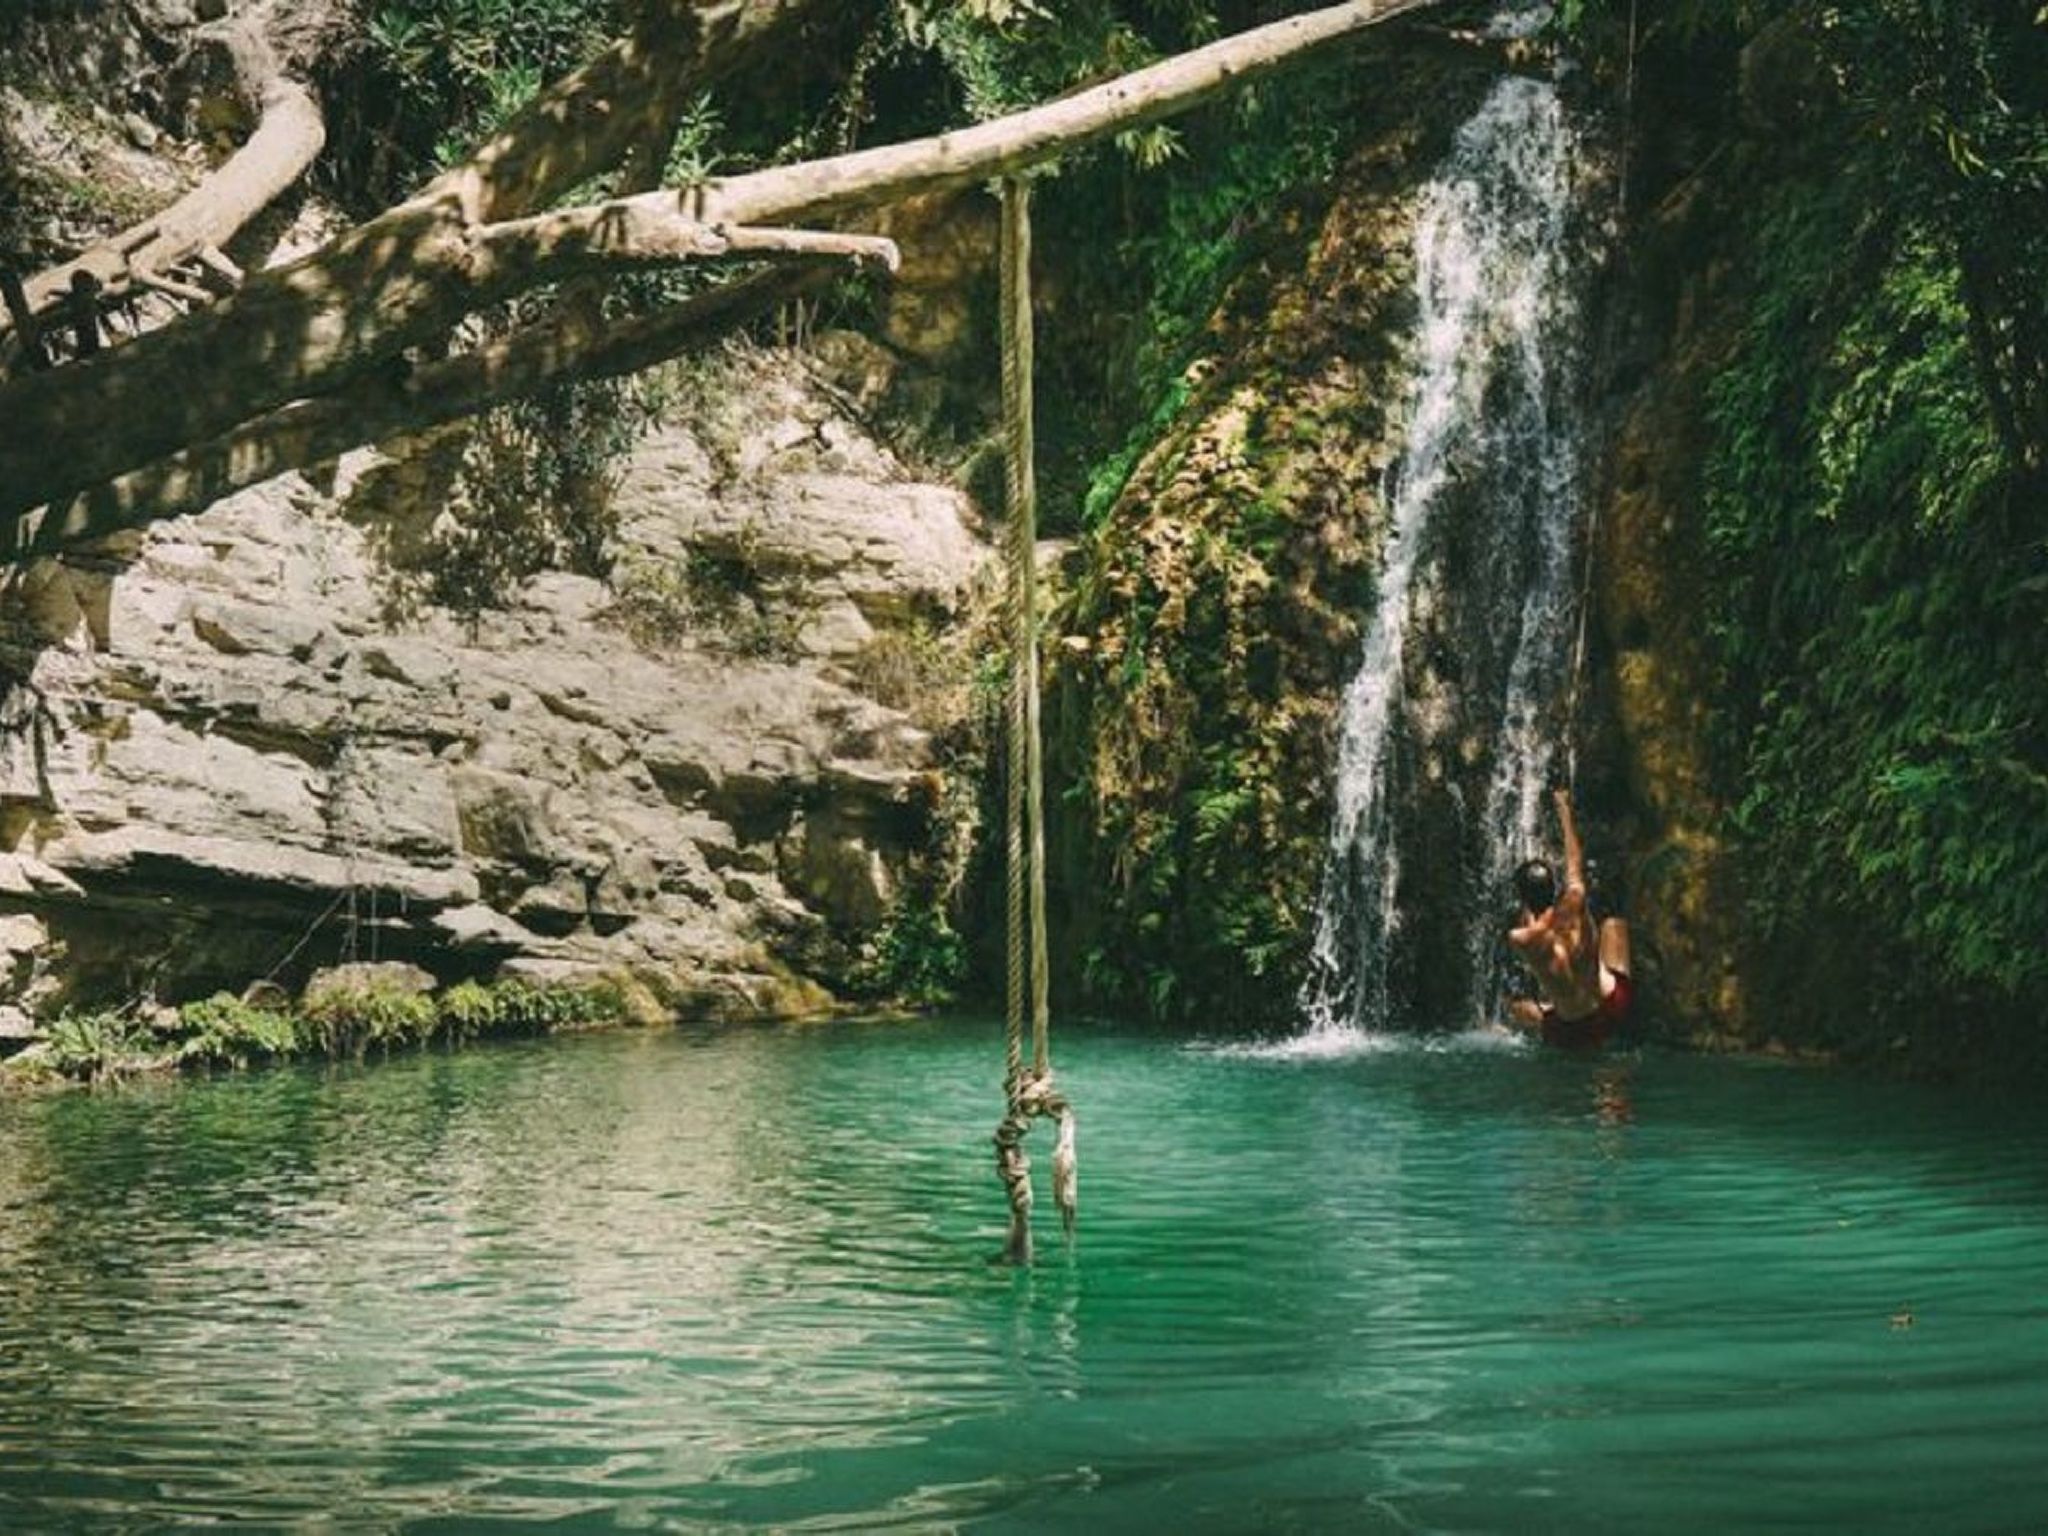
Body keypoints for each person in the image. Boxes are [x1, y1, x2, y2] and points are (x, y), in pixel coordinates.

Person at [1506, 787, 1632, 1050]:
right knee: (1613, 925)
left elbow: (1530, 925)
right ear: (1554, 888)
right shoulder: (1575, 900)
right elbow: (1575, 862)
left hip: (1575, 1031)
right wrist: (1564, 810)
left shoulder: (1523, 939)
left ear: (1524, 899)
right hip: (1615, 1002)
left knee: (1514, 1009)